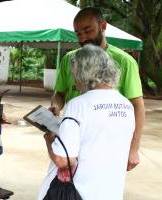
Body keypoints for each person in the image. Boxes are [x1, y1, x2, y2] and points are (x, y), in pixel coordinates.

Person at [49, 7, 145, 171]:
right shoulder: (70, 59)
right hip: (71, 139)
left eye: (88, 30)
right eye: (78, 33)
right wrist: (56, 107)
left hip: (105, 144)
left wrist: (134, 149)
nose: (83, 37)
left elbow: (137, 105)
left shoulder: (124, 61)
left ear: (103, 26)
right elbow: (60, 94)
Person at [39, 44, 135, 199]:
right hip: (111, 192)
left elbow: (63, 160)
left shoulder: (78, 105)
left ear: (84, 72)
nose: (74, 79)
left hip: (79, 193)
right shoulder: (126, 105)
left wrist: (49, 139)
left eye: (74, 73)